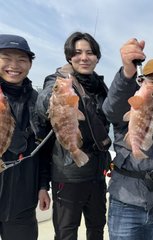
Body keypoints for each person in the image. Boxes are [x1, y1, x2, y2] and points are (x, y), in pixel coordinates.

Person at [36, 32, 112, 240]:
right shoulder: (58, 80)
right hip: (68, 174)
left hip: (97, 173)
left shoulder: (100, 87)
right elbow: (42, 104)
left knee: (97, 227)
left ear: (97, 57)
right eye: (77, 53)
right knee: (66, 232)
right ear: (69, 57)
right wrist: (57, 95)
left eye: (90, 53)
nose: (84, 57)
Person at [102, 38, 153, 240]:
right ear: (142, 82)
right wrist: (127, 71)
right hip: (125, 202)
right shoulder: (129, 107)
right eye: (152, 82)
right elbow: (111, 108)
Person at [0, 34, 48, 239]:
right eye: (6, 58)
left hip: (23, 202)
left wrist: (44, 186)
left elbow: (44, 148)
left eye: (21, 59)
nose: (14, 65)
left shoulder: (38, 100)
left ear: (29, 64)